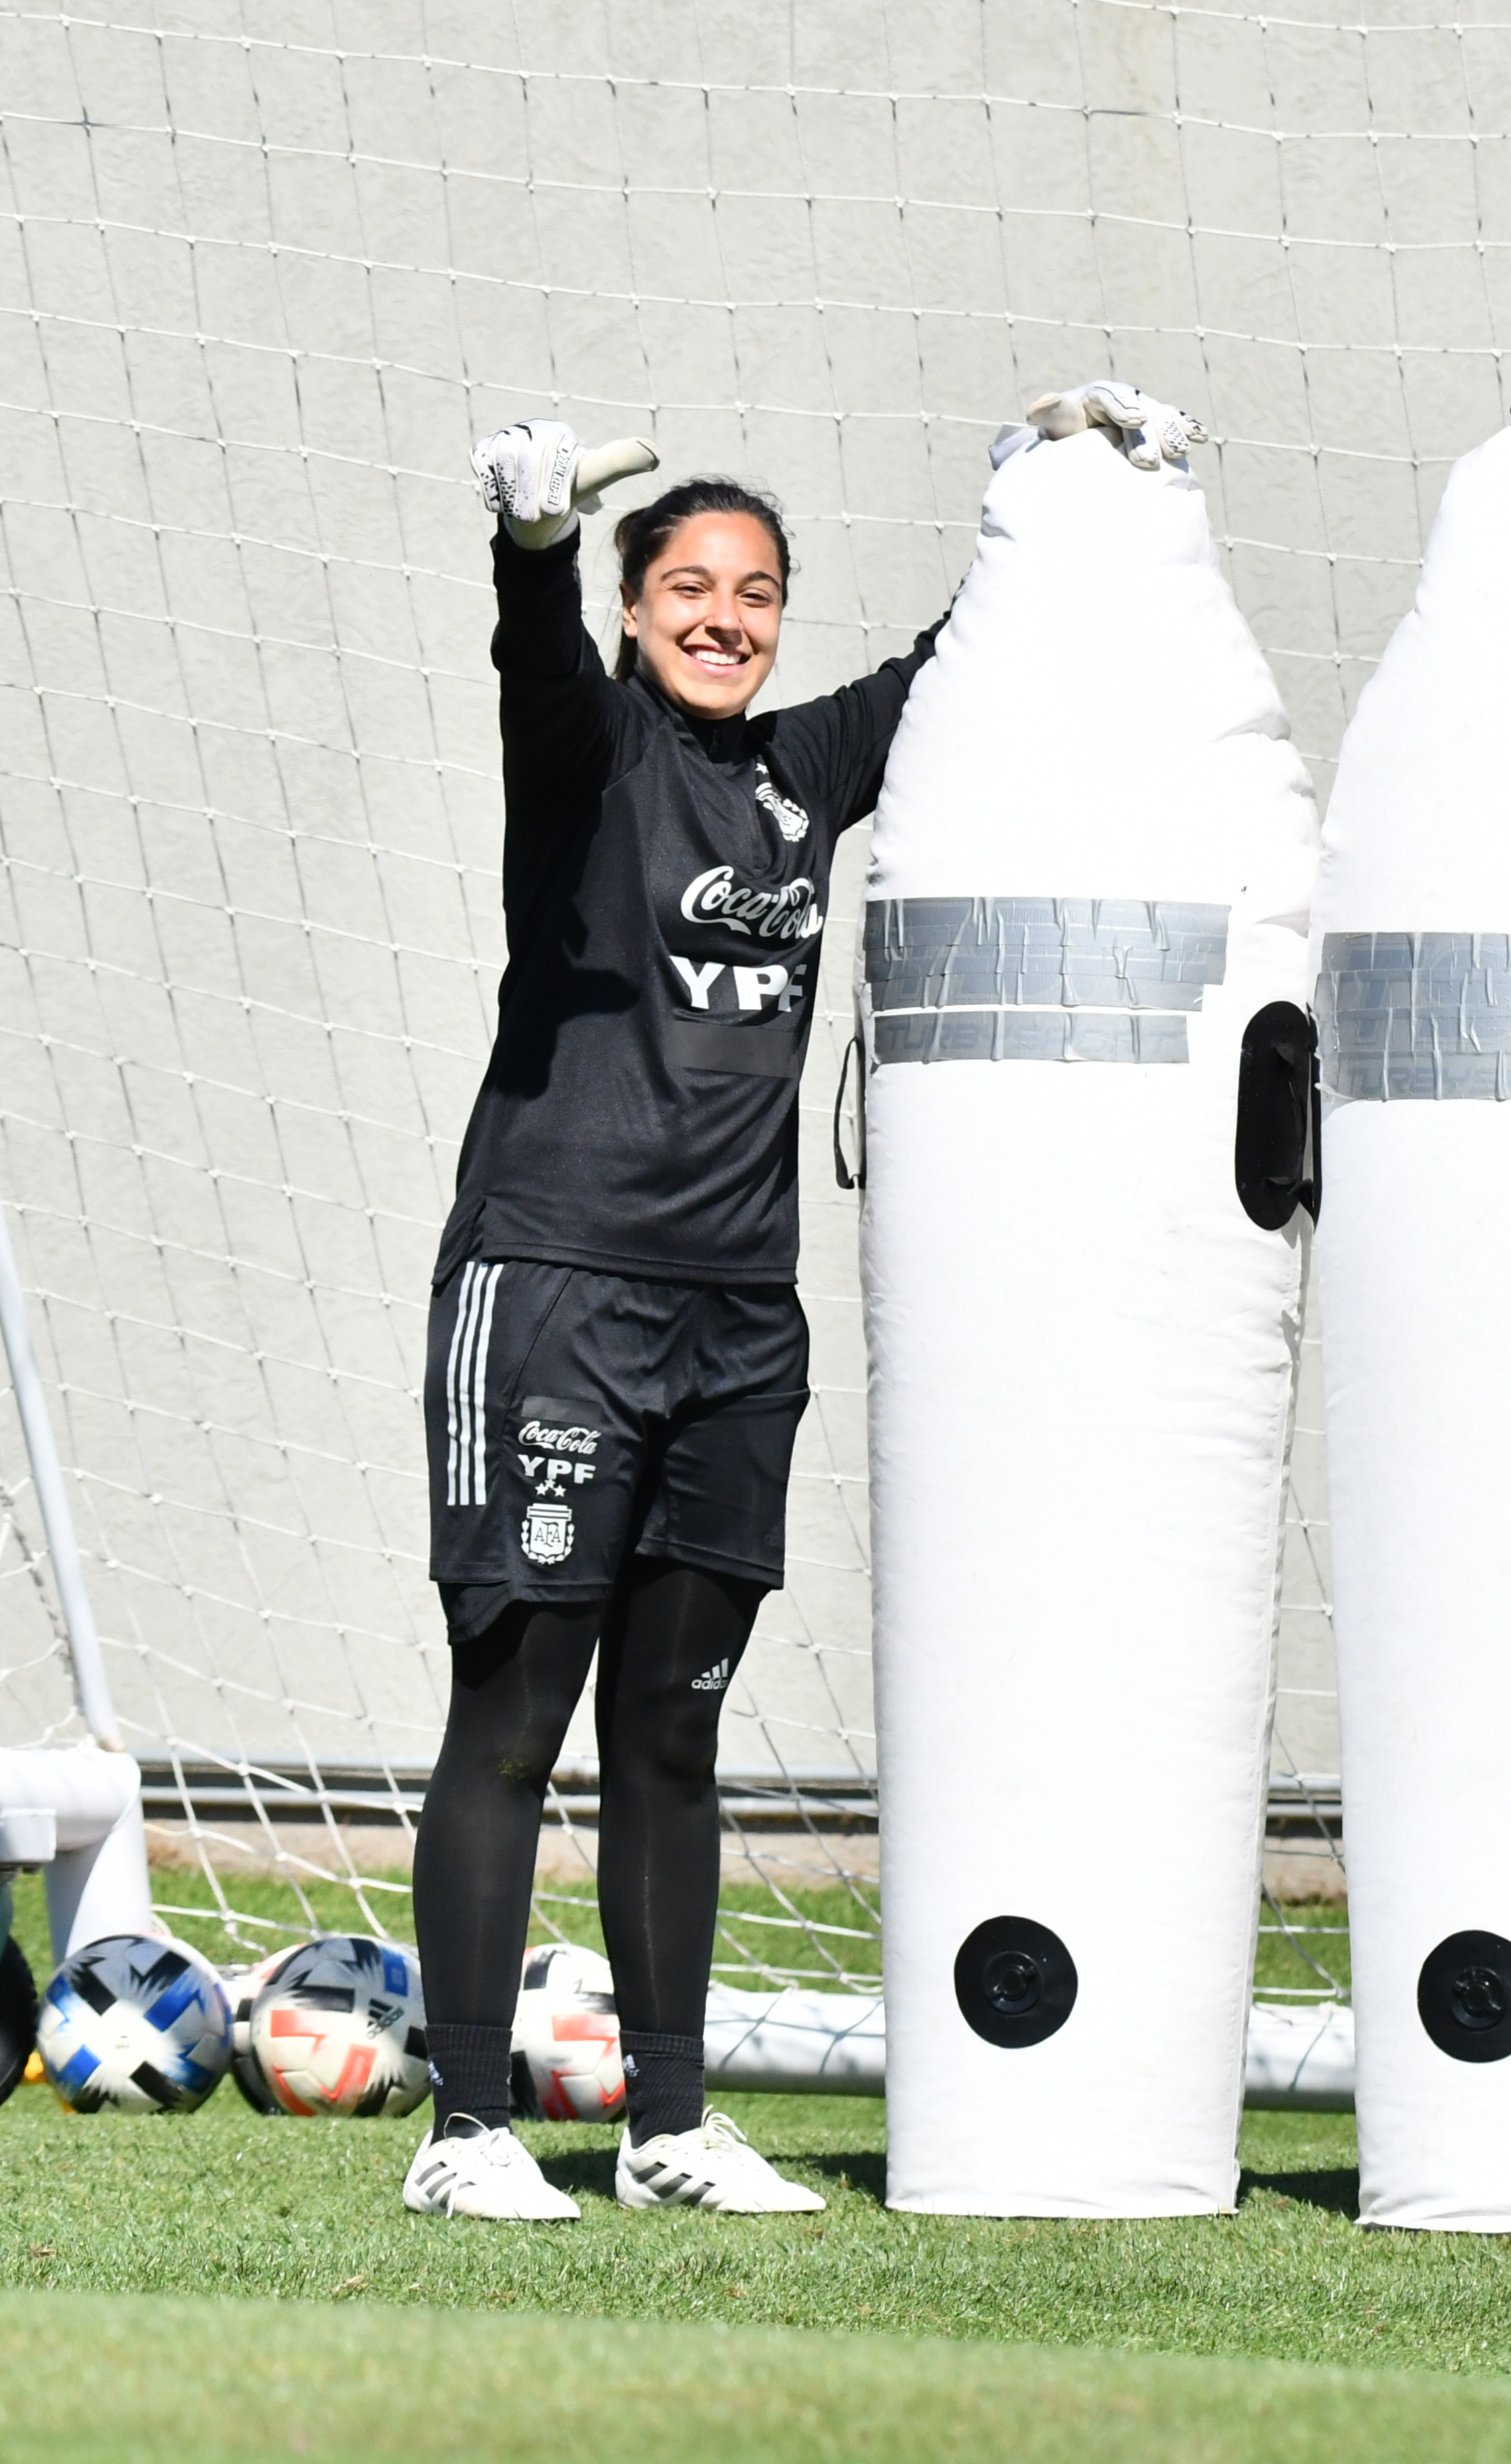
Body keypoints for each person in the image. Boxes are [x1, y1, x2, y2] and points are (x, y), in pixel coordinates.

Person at [404, 386, 1200, 2225]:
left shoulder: (801, 772)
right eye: (688, 587)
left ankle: (667, 2127)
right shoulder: (594, 745)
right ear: (633, 609)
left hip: (738, 1327)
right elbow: (536, 670)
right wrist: (529, 546)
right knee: (515, 1716)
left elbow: (954, 667)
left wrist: (1057, 486)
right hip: (557, 1295)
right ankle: (468, 2130)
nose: (725, 617)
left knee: (672, 1732)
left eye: (755, 592)